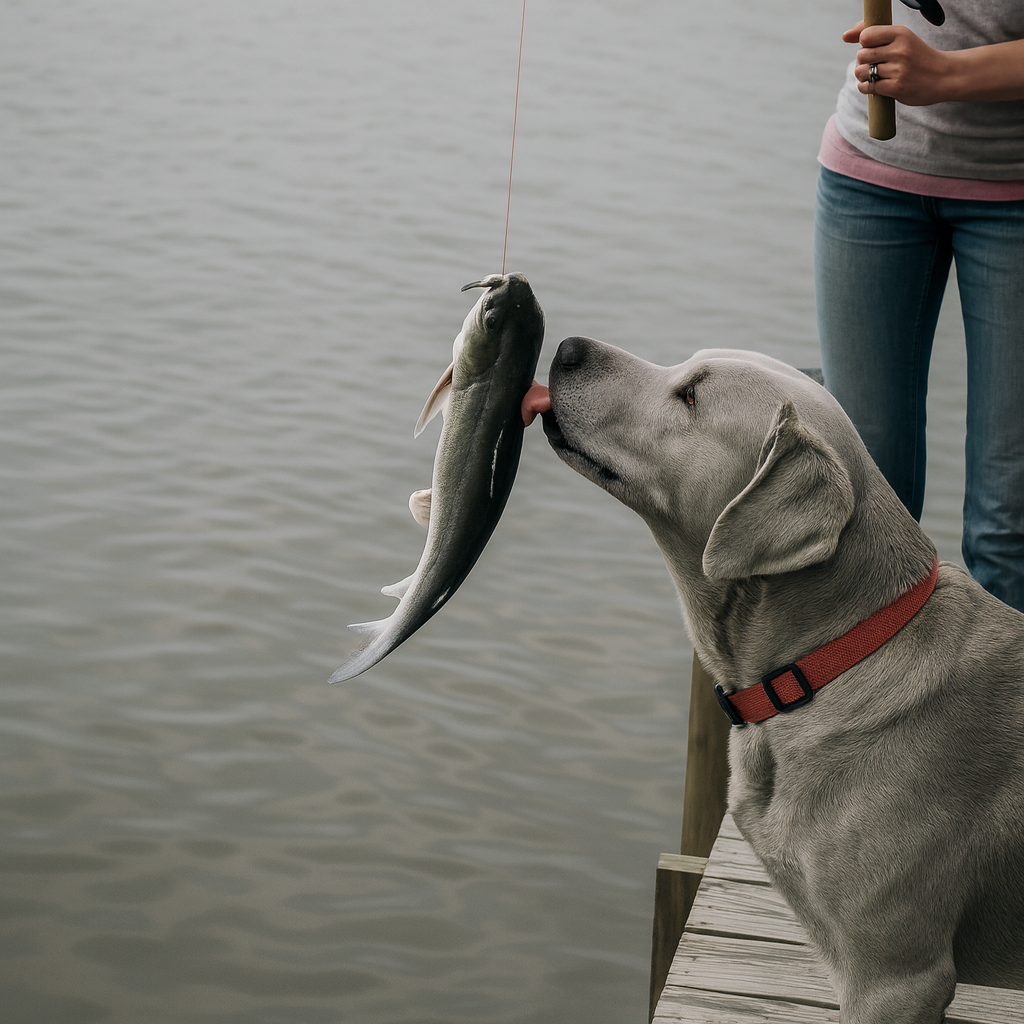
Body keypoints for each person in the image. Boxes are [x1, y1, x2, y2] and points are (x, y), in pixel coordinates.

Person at [815, 2, 1024, 611]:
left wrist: (945, 76)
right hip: (867, 184)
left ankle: (999, 704)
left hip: (1015, 194)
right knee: (867, 507)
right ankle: (879, 704)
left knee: (1008, 525)